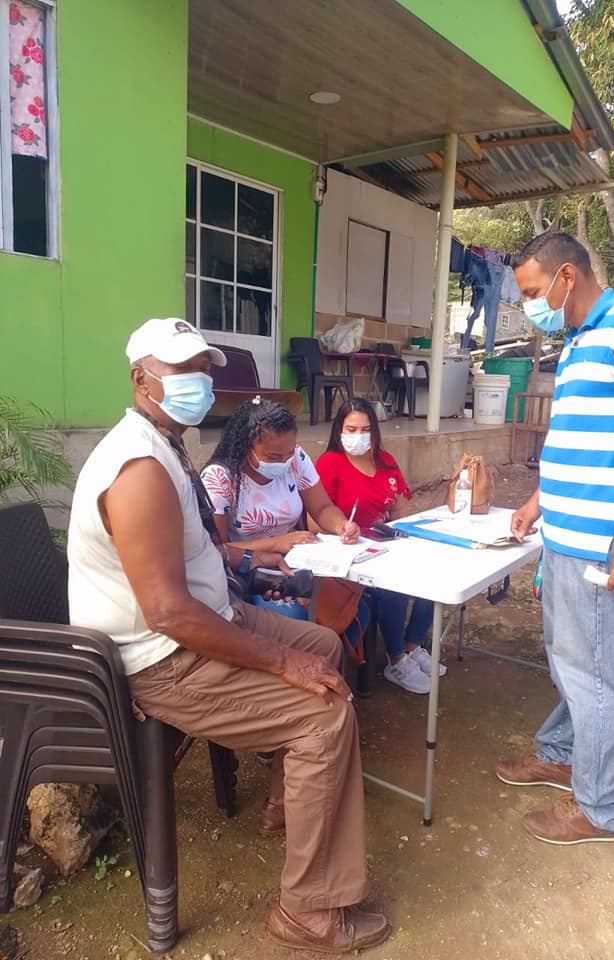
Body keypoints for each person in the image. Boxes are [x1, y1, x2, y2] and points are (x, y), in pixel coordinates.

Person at [67, 318, 390, 953]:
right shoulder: (136, 470)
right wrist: (278, 662)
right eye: (184, 372)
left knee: (323, 645)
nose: (200, 384)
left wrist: (250, 566)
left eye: (205, 371)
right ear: (142, 380)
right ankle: (308, 912)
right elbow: (167, 613)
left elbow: (199, 557)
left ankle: (286, 805)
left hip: (210, 620)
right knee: (321, 716)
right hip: (162, 659)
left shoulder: (166, 444)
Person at [496, 234, 614, 845]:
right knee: (569, 659)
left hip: (604, 542)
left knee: (600, 674)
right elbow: (577, 441)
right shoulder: (577, 340)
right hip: (564, 534)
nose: (530, 305)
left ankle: (600, 808)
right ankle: (561, 753)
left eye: (532, 292)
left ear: (567, 277)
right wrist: (537, 502)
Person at [315, 398, 446, 695]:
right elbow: (315, 516)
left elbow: (399, 509)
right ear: (339, 430)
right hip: (348, 547)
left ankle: (413, 646)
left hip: (385, 540)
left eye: (365, 429)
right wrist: (343, 530)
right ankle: (395, 658)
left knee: (433, 571)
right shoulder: (330, 463)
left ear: (374, 431)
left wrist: (403, 532)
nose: (358, 436)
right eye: (351, 429)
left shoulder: (385, 460)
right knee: (394, 583)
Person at [200, 398, 361, 623]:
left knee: (354, 601)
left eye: (288, 453)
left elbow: (323, 507)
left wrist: (341, 525)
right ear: (247, 447)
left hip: (299, 559)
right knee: (294, 617)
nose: (284, 461)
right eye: (274, 457)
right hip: (250, 570)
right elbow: (217, 549)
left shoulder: (296, 459)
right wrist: (277, 543)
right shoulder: (220, 478)